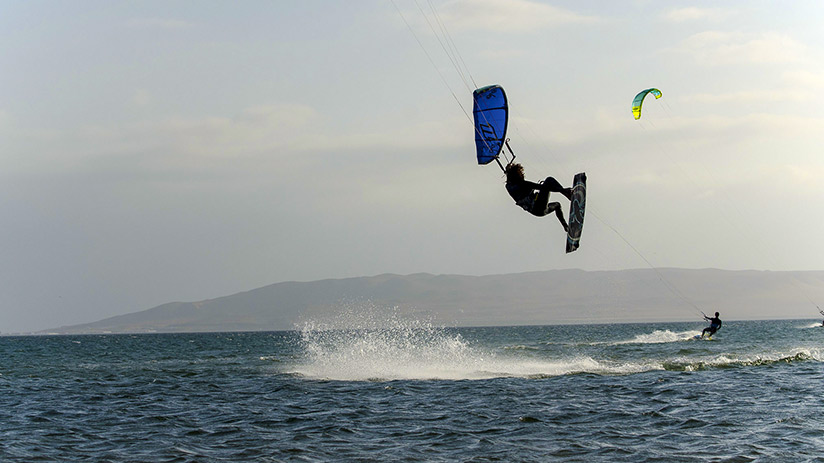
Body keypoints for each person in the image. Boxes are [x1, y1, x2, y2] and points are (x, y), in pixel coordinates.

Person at [504, 163, 572, 232]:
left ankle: (566, 227)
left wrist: (508, 171)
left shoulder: (509, 186)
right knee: (549, 180)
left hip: (539, 212)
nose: (522, 175)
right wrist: (562, 190)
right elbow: (542, 187)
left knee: (557, 205)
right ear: (516, 176)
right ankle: (567, 194)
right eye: (521, 173)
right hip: (538, 205)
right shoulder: (522, 184)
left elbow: (510, 181)